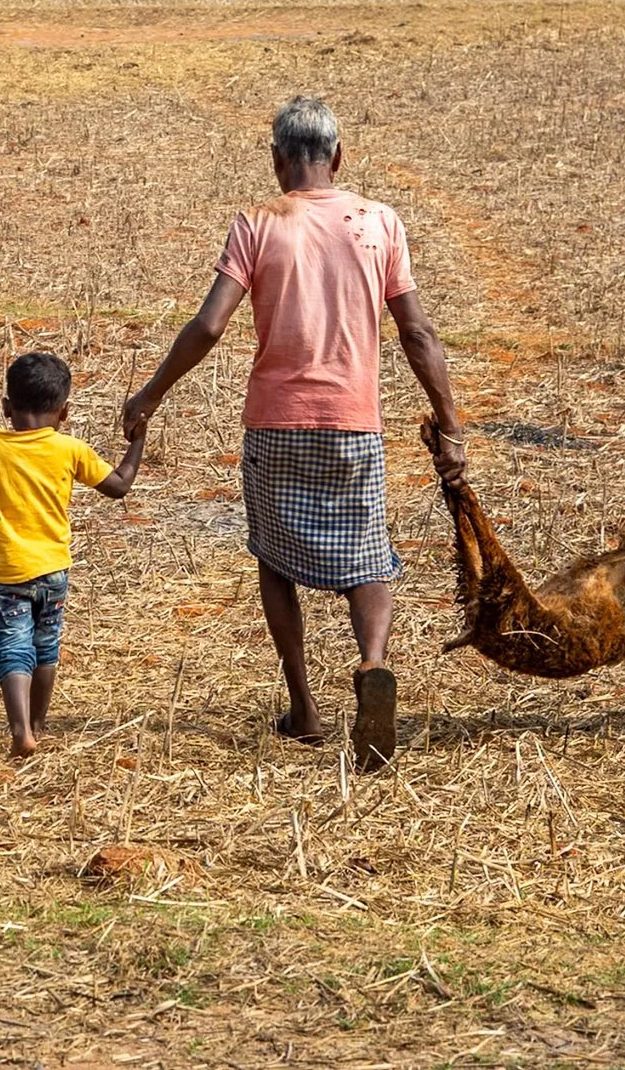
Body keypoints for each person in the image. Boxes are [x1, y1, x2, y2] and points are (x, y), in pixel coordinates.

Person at [121, 97, 461, 769]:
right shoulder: (379, 223)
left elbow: (209, 324)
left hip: (276, 423)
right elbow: (418, 333)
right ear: (338, 157)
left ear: (278, 160)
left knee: (274, 558)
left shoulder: (258, 223)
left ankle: (304, 706)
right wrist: (449, 422)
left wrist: (151, 392)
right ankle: (373, 662)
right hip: (353, 421)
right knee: (367, 557)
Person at [0, 352, 145, 758]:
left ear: (6, 407)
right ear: (65, 412)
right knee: (46, 646)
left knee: (13, 646)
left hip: (7, 571)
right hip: (54, 570)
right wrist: (137, 441)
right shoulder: (69, 449)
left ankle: (20, 729)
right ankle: (39, 724)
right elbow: (118, 486)